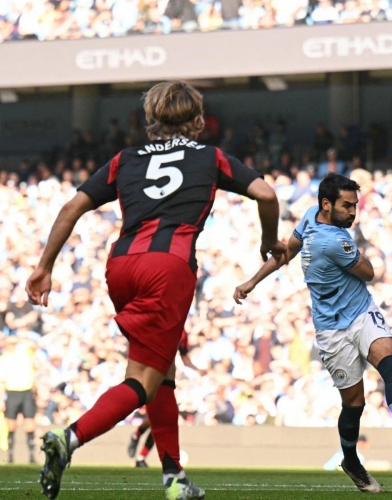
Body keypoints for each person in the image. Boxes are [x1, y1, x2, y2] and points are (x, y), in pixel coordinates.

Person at [26, 80, 286, 500]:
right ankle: (69, 438)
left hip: (121, 265)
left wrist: (44, 266)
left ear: (150, 123)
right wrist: (267, 240)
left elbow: (73, 205)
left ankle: (173, 477)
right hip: (167, 268)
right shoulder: (210, 156)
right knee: (143, 380)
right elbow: (266, 194)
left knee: (163, 372)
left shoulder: (124, 159)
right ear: (198, 121)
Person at [234, 172, 392, 493]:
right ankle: (350, 460)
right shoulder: (336, 240)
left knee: (389, 362)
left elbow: (287, 252)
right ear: (326, 204)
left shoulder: (315, 220)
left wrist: (251, 281)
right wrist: (252, 281)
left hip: (361, 312)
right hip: (331, 329)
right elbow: (369, 271)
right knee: (354, 403)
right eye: (346, 206)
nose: (352, 212)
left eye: (355, 205)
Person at [128, 330, 206, 468]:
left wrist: (197, 369)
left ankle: (140, 455)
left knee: (161, 420)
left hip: (166, 378)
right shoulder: (160, 324)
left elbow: (184, 356)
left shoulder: (181, 333)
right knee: (157, 418)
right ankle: (138, 437)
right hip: (149, 375)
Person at [0, 335, 37, 464]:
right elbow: (2, 382)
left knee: (30, 424)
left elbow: (34, 345)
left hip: (26, 392)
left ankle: (32, 457)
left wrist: (20, 339)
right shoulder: (3, 359)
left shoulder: (25, 354)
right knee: (11, 425)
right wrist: (0, 399)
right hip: (12, 393)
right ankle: (10, 457)